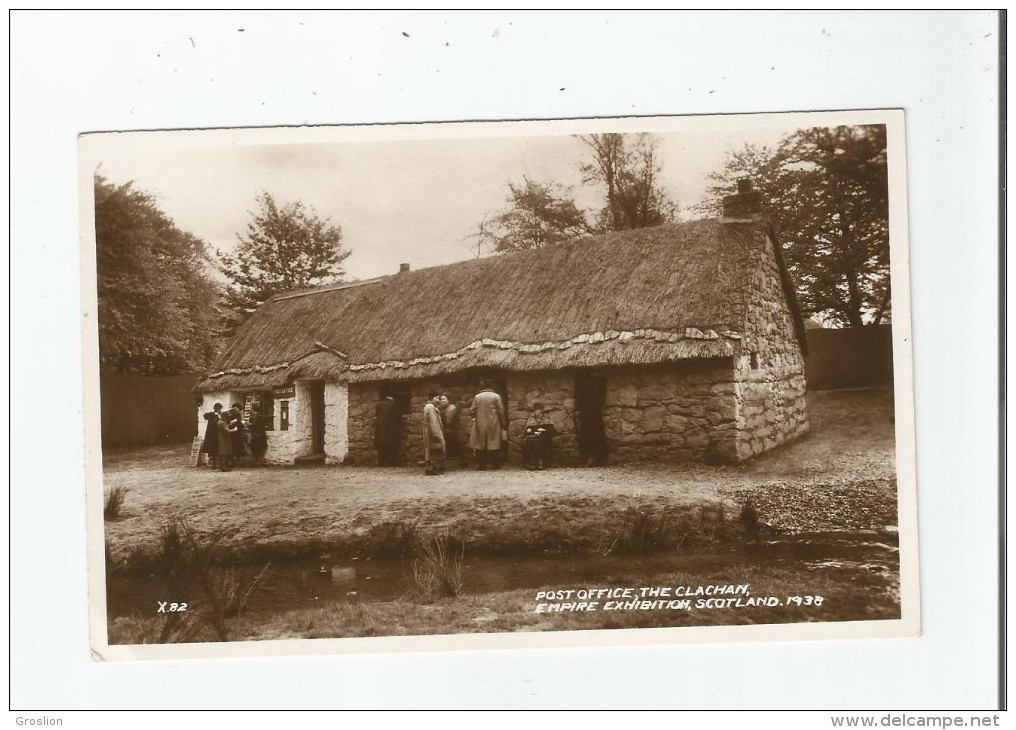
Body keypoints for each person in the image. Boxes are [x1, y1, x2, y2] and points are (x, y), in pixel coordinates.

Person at [469, 380, 506, 471]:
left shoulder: (477, 397)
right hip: (493, 422)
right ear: (492, 387)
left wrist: (475, 417)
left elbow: (472, 410)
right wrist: (503, 422)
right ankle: (495, 464)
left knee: (481, 443)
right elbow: (501, 411)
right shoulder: (496, 396)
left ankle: (482, 465)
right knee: (494, 442)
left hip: (480, 422)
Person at [422, 391, 446, 475]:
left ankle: (430, 468)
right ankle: (433, 469)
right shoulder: (431, 407)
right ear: (431, 398)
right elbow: (433, 422)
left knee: (430, 450)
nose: (437, 400)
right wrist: (437, 435)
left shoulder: (429, 406)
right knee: (434, 450)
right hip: (432, 432)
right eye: (435, 398)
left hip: (429, 431)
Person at [438, 394, 463, 469]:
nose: (442, 401)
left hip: (452, 430)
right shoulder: (444, 408)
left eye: (444, 399)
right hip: (449, 430)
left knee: (455, 446)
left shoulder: (451, 408)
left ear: (448, 400)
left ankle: (460, 462)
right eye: (441, 399)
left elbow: (448, 420)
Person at [374, 396, 401, 466]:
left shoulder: (379, 405)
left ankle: (381, 462)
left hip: (380, 429)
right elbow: (398, 416)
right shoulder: (393, 405)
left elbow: (376, 415)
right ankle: (390, 462)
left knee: (381, 445)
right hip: (390, 429)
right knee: (391, 445)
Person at [200, 402, 223, 467]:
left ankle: (215, 463)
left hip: (215, 434)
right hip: (211, 434)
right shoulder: (212, 414)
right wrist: (213, 414)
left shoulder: (219, 415)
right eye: (219, 409)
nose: (220, 410)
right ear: (217, 409)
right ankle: (212, 463)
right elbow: (205, 416)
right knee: (212, 449)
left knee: (215, 449)